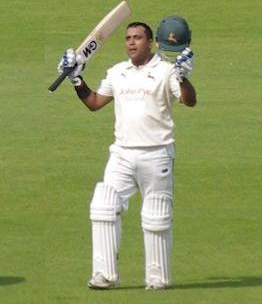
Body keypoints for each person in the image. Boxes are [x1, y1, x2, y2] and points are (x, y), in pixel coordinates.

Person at [57, 18, 196, 290]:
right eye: (128, 38)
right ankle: (104, 275)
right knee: (103, 206)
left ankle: (157, 278)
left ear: (151, 42)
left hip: (157, 154)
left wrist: (183, 78)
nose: (132, 42)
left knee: (156, 216)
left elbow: (189, 101)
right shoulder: (117, 72)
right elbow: (94, 103)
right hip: (121, 154)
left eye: (138, 38)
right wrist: (76, 79)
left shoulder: (167, 71)